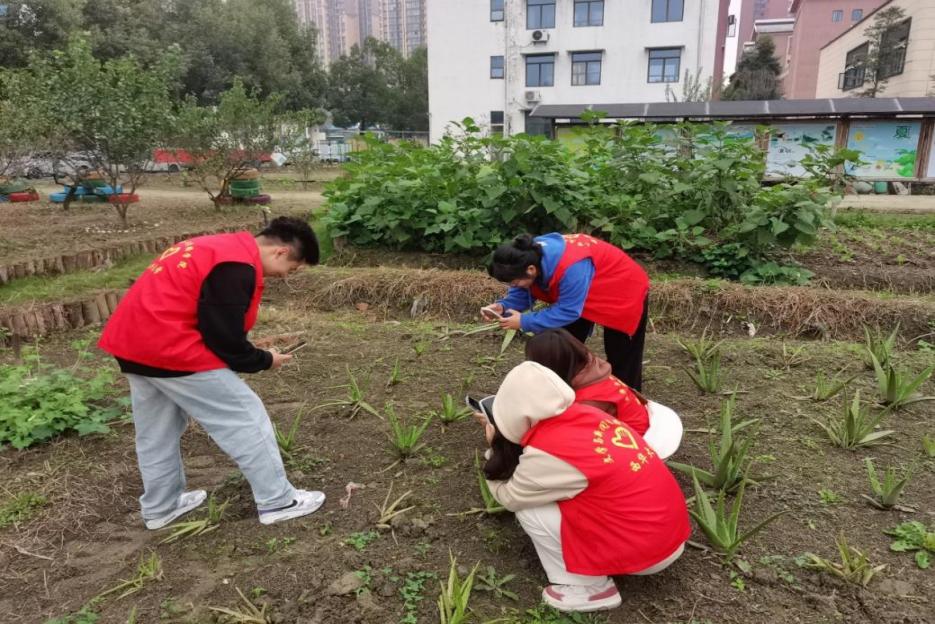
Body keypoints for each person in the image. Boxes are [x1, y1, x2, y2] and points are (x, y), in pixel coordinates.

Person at [98, 217, 325, 529]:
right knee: (245, 417)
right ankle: (278, 501)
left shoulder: (212, 247)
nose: (285, 276)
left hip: (133, 345)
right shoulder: (236, 265)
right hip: (171, 348)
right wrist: (263, 360)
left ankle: (161, 507)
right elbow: (225, 340)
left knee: (156, 432)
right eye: (292, 269)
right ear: (281, 252)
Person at [481, 361, 690, 613]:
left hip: (646, 553)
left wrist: (494, 451)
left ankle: (590, 589)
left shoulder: (550, 450)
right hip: (669, 534)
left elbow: (510, 496)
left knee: (529, 509)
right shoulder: (589, 414)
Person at [484, 233, 650, 391]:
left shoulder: (571, 266)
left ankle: (629, 401)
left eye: (513, 282)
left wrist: (524, 321)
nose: (512, 286)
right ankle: (562, 392)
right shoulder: (526, 256)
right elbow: (524, 289)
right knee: (560, 348)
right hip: (581, 290)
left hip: (623, 288)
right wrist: (503, 306)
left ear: (531, 269)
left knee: (622, 357)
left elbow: (568, 311)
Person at [524, 329, 682, 459]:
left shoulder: (587, 401)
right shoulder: (591, 371)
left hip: (644, 446)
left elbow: (575, 439)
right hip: (652, 423)